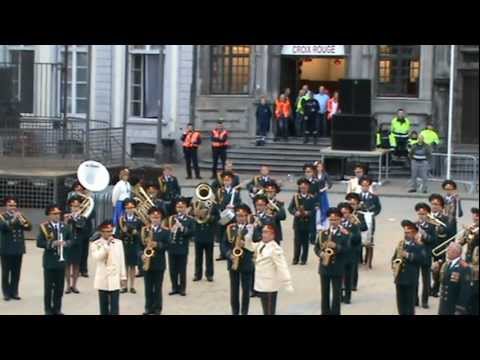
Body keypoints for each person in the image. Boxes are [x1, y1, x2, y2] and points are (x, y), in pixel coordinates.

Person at [37, 204, 72, 315]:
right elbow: (39, 243)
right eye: (55, 214)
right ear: (49, 215)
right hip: (49, 262)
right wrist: (52, 243)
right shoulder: (44, 227)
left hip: (61, 262)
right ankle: (48, 309)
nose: (57, 216)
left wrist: (66, 243)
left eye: (58, 213)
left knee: (59, 288)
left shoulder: (65, 226)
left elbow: (71, 240)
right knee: (48, 288)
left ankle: (57, 309)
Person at [314, 208, 350, 315]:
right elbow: (316, 247)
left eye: (336, 220)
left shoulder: (344, 233)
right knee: (324, 293)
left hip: (337, 267)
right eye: (331, 220)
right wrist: (320, 254)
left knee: (336, 294)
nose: (333, 222)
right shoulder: (323, 233)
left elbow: (347, 249)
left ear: (340, 220)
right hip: (324, 267)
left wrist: (336, 246)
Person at [221, 204, 255, 315]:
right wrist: (229, 254)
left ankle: (244, 312)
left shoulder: (251, 228)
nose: (241, 218)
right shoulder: (230, 228)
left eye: (243, 216)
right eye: (238, 215)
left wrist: (245, 244)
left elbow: (257, 243)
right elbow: (224, 244)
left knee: (246, 291)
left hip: (246, 262)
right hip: (233, 262)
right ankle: (235, 312)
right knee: (234, 291)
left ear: (247, 216)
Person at [251, 224, 294, 315]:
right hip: (261, 284)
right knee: (265, 309)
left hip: (270, 285)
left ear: (272, 235)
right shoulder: (261, 244)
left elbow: (282, 266)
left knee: (270, 311)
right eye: (263, 232)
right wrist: (247, 236)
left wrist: (287, 283)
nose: (263, 235)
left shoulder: (275, 249)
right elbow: (250, 246)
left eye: (266, 232)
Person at [90, 221, 127, 316]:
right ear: (101, 232)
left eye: (111, 231)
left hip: (114, 277)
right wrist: (106, 246)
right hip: (103, 278)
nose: (110, 233)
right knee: (104, 307)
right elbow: (97, 257)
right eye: (107, 231)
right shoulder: (96, 244)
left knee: (115, 307)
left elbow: (121, 261)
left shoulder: (118, 243)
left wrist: (123, 277)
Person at [0, 196, 32, 301]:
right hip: (6, 248)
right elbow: (6, 227)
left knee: (16, 271)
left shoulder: (19, 216)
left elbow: (28, 227)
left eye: (14, 205)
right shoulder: (2, 216)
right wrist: (14, 218)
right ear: (6, 206)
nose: (13, 207)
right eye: (10, 205)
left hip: (18, 248)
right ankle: (6, 293)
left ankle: (14, 292)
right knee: (6, 272)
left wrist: (23, 220)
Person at [140, 207, 170, 315]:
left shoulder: (165, 231)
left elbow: (168, 245)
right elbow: (138, 247)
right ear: (149, 217)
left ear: (161, 218)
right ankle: (148, 308)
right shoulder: (144, 230)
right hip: (146, 262)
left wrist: (157, 244)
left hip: (159, 263)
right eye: (153, 217)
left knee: (157, 287)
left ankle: (157, 308)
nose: (155, 219)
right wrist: (141, 255)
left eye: (157, 217)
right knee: (148, 287)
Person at [392, 220, 426, 315]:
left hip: (410, 279)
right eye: (405, 232)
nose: (406, 234)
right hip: (400, 278)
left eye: (408, 232)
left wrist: (407, 255)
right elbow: (394, 258)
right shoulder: (401, 244)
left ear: (414, 233)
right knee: (400, 304)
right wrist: (394, 265)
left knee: (409, 305)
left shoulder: (419, 246)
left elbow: (422, 259)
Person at [165, 198, 195, 296]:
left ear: (186, 208)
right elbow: (166, 230)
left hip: (182, 247)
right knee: (172, 269)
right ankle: (174, 287)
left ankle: (182, 288)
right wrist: (171, 230)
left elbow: (191, 232)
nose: (180, 209)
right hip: (172, 246)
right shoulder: (171, 218)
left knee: (182, 269)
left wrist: (181, 227)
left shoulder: (189, 219)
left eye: (182, 207)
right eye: (178, 207)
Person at [115, 198, 143, 293]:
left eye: (131, 207)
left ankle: (132, 286)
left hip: (133, 244)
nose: (129, 209)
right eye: (127, 208)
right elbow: (117, 233)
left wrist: (136, 233)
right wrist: (123, 232)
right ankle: (124, 286)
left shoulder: (138, 220)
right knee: (124, 266)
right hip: (125, 244)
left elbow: (142, 233)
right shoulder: (122, 219)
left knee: (132, 266)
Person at [63, 196, 89, 294]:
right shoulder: (66, 217)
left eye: (77, 206)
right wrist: (65, 221)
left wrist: (74, 219)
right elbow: (63, 230)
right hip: (68, 243)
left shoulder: (82, 217)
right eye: (73, 206)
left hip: (78, 243)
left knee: (76, 265)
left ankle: (74, 285)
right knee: (67, 264)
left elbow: (82, 228)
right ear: (70, 207)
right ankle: (68, 285)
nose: (75, 208)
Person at [414, 202, 437, 309]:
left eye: (423, 214)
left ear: (427, 214)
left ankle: (425, 300)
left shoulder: (432, 226)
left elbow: (433, 240)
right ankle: (415, 299)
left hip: (426, 255)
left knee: (426, 280)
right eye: (419, 214)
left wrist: (423, 234)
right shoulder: (413, 225)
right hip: (415, 255)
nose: (421, 216)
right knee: (414, 278)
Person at [338, 202, 362, 304]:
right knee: (339, 276)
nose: (344, 215)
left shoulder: (354, 225)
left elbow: (358, 239)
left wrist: (348, 234)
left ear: (350, 213)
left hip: (350, 254)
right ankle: (339, 295)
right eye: (342, 213)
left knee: (348, 277)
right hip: (339, 254)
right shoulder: (337, 224)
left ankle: (347, 297)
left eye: (346, 213)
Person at [438, 242, 472, 315]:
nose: (447, 252)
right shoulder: (448, 264)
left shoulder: (464, 268)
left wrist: (460, 309)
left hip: (453, 307)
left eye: (449, 250)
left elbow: (465, 290)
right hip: (445, 306)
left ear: (455, 252)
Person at [288, 178, 316, 265]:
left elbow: (314, 210)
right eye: (301, 187)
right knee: (297, 242)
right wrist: (294, 212)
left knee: (305, 242)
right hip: (298, 222)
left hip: (307, 222)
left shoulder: (311, 197)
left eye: (305, 187)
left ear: (308, 188)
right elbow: (290, 208)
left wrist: (308, 213)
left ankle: (304, 259)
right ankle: (295, 258)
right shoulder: (296, 197)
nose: (303, 189)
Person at [215, 172, 242, 261]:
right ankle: (222, 253)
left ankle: (232, 251)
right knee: (222, 233)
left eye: (228, 180)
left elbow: (239, 202)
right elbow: (216, 204)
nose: (227, 182)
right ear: (223, 181)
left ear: (231, 181)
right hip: (224, 216)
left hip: (232, 215)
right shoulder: (219, 192)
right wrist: (224, 207)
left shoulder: (235, 192)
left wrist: (234, 206)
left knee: (232, 232)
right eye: (225, 180)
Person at [192, 195, 219, 282]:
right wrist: (196, 213)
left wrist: (208, 217)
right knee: (198, 257)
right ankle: (197, 274)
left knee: (209, 257)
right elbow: (191, 215)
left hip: (208, 233)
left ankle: (209, 274)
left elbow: (218, 217)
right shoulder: (196, 203)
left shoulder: (213, 205)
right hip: (199, 233)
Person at [428, 194, 451, 297]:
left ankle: (436, 287)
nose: (434, 206)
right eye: (432, 204)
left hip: (440, 248)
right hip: (428, 247)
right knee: (427, 269)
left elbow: (451, 235)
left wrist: (448, 249)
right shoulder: (427, 216)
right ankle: (428, 289)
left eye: (436, 204)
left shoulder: (447, 219)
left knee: (437, 270)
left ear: (441, 206)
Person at [345, 193, 367, 291]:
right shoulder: (343, 214)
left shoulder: (359, 215)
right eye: (350, 204)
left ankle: (353, 284)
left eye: (353, 204)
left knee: (354, 265)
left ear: (357, 205)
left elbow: (364, 227)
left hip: (355, 244)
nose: (351, 206)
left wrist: (355, 224)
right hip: (344, 243)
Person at [358, 176, 381, 268]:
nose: (365, 187)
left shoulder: (374, 197)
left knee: (369, 241)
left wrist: (373, 214)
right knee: (359, 240)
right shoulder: (357, 196)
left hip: (370, 221)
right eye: (363, 185)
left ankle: (368, 261)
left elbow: (378, 208)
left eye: (366, 186)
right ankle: (359, 260)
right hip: (360, 220)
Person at [314, 161, 332, 230]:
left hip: (322, 193)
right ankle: (316, 222)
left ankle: (323, 222)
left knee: (323, 208)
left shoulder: (325, 174)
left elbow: (330, 184)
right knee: (316, 207)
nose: (319, 168)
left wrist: (324, 189)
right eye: (318, 167)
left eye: (320, 166)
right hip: (315, 193)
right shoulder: (314, 175)